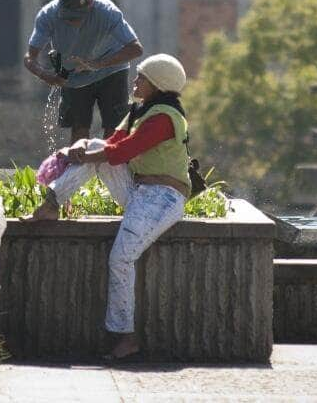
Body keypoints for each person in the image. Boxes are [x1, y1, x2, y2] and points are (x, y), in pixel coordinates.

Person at [23, 54, 192, 362]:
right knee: (94, 146)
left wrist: (84, 157)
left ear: (158, 84)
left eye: (142, 77)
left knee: (121, 259)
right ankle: (52, 203)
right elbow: (113, 142)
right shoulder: (141, 110)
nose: (136, 81)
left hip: (163, 197)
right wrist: (80, 149)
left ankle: (125, 337)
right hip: (140, 190)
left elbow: (127, 150)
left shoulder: (165, 117)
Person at [24, 0, 144, 144]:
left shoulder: (107, 11)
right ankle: (79, 168)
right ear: (60, 7)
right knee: (79, 129)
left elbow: (136, 48)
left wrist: (97, 64)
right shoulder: (48, 15)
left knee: (113, 129)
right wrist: (47, 76)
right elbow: (30, 57)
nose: (74, 23)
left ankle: (107, 168)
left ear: (91, 5)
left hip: (111, 69)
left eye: (79, 17)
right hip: (73, 74)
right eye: (69, 18)